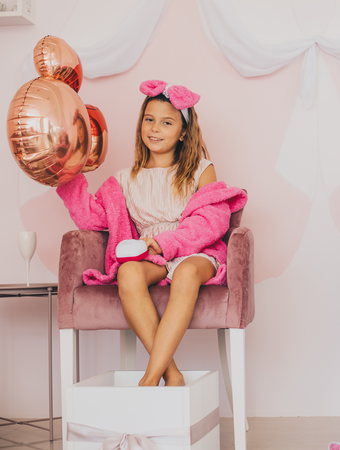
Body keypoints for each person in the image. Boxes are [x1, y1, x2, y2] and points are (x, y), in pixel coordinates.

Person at [57, 80, 247, 387]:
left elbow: (211, 222)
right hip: (150, 255)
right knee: (128, 272)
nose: (155, 129)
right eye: (149, 119)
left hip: (195, 252)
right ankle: (171, 374)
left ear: (184, 132)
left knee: (185, 273)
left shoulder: (200, 170)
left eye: (166, 122)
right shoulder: (124, 180)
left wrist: (164, 243)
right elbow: (93, 218)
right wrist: (67, 177)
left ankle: (148, 380)